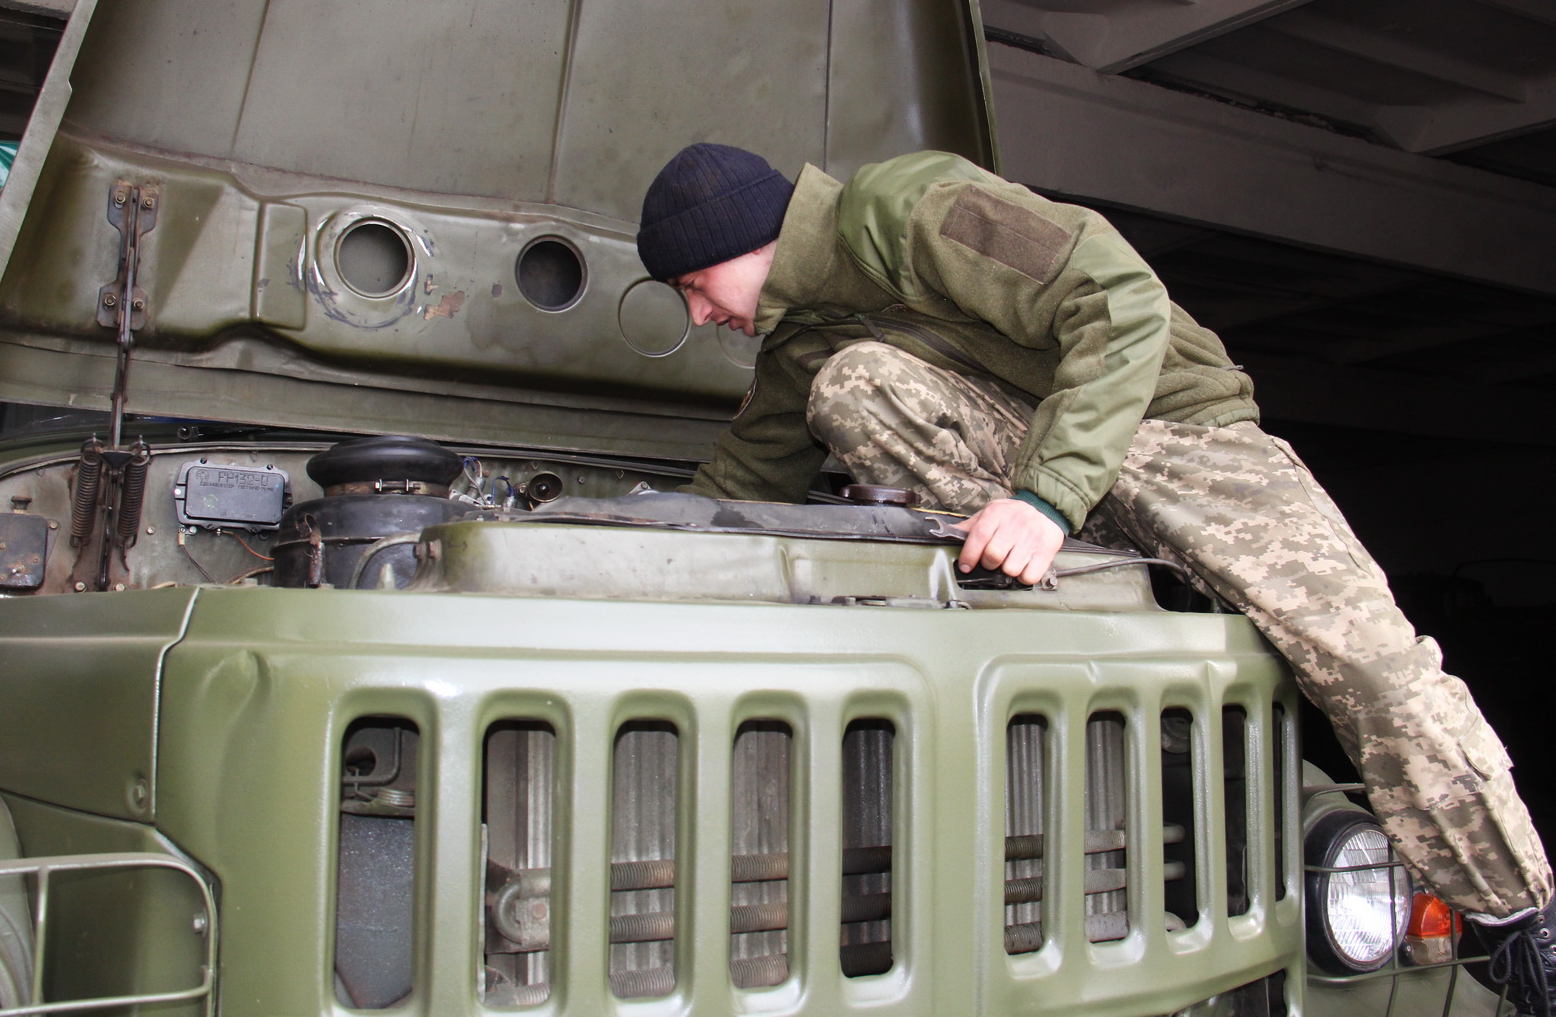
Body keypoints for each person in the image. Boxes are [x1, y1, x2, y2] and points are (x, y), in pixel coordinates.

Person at [636, 142, 1556, 1014]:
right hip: (1045, 470)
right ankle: (1080, 648)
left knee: (1365, 662)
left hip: (1179, 432)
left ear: (747, 240)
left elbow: (1118, 295)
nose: (699, 315)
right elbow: (735, 489)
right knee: (855, 385)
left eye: (695, 285)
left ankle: (1523, 919)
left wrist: (1046, 498)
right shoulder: (804, 347)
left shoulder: (903, 208)